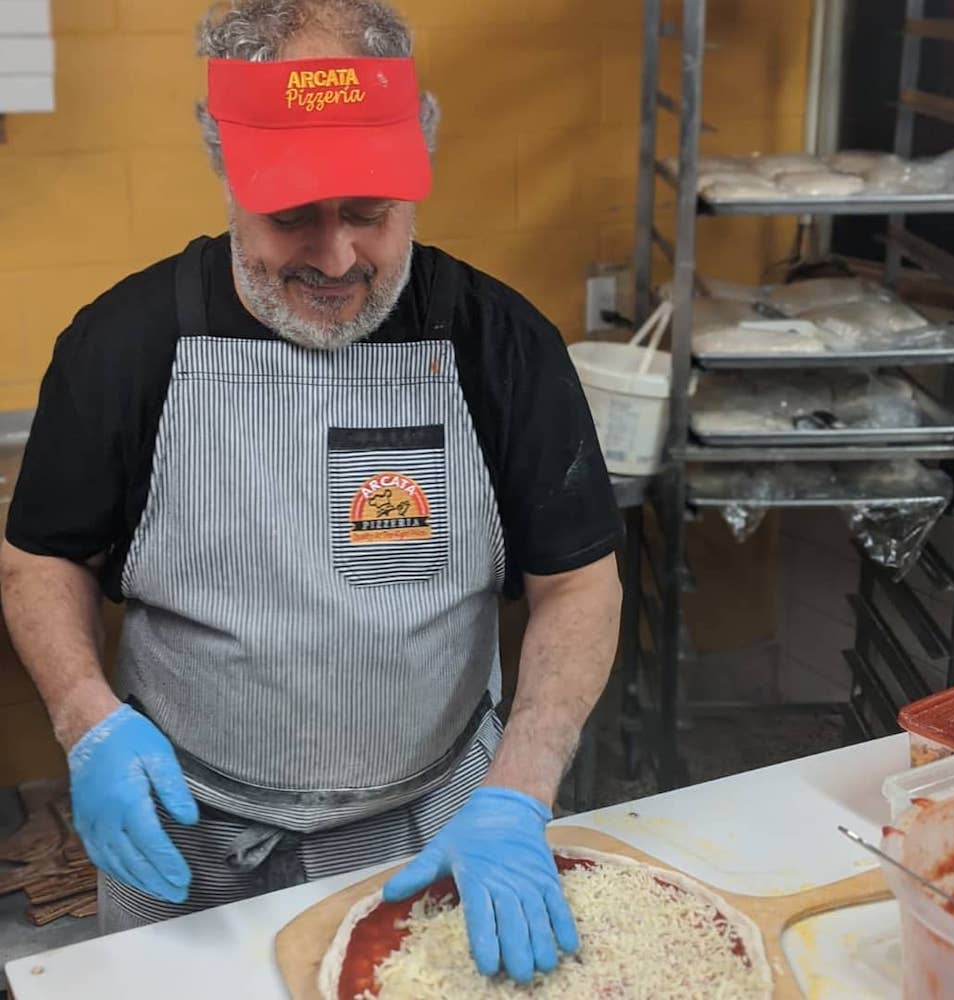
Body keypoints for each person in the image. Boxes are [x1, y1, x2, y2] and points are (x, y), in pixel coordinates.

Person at [0, 0, 622, 984]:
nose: (335, 260)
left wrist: (520, 789)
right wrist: (86, 718)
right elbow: (40, 556)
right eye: (292, 213)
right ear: (221, 165)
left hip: (435, 841)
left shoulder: (502, 346)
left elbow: (579, 583)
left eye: (370, 211)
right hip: (188, 857)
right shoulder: (121, 348)